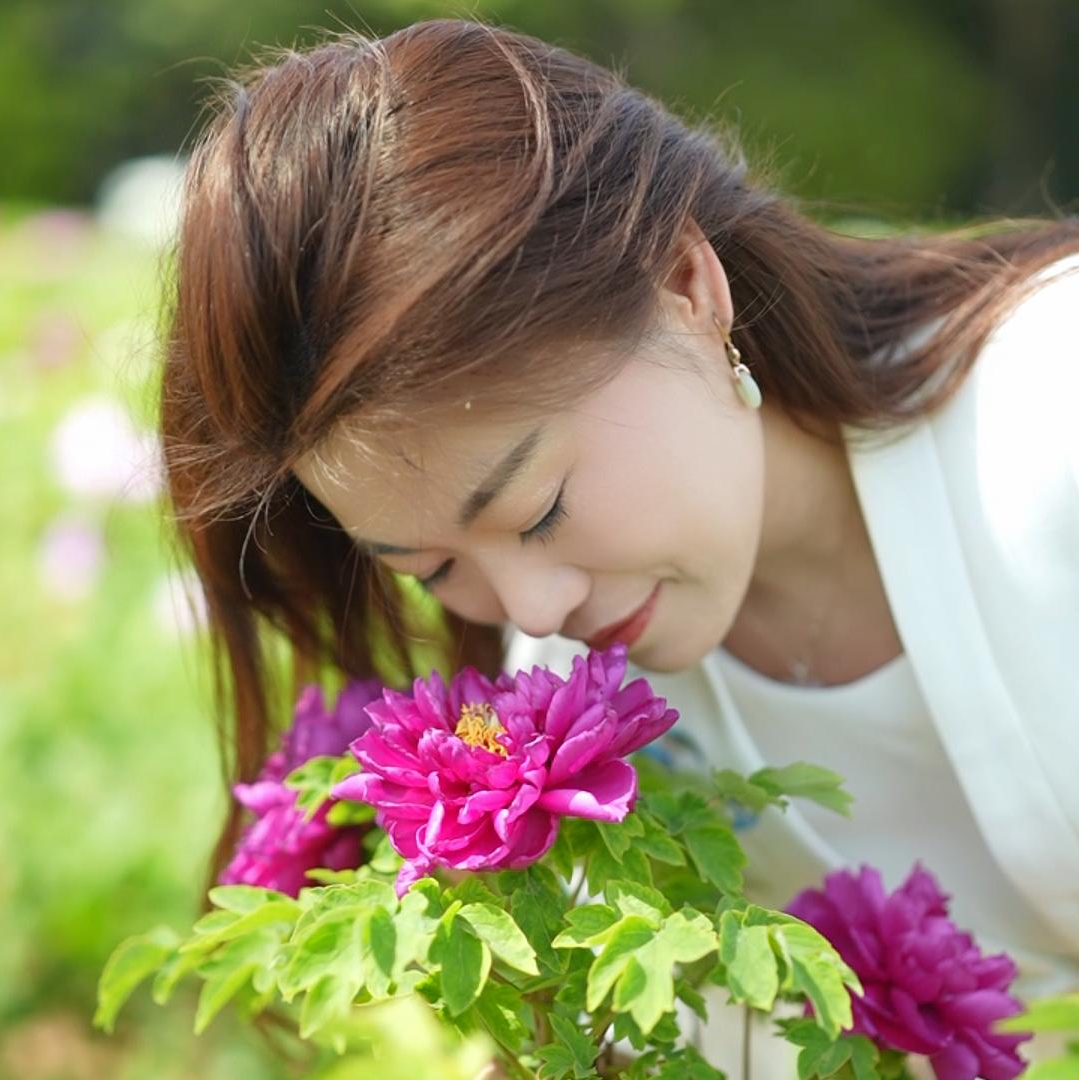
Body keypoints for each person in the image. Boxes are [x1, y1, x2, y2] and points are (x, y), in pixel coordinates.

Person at [158, 16, 1079, 1071]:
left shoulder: (1053, 418)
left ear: (688, 286)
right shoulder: (570, 722)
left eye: (541, 506)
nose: (535, 611)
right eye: (435, 570)